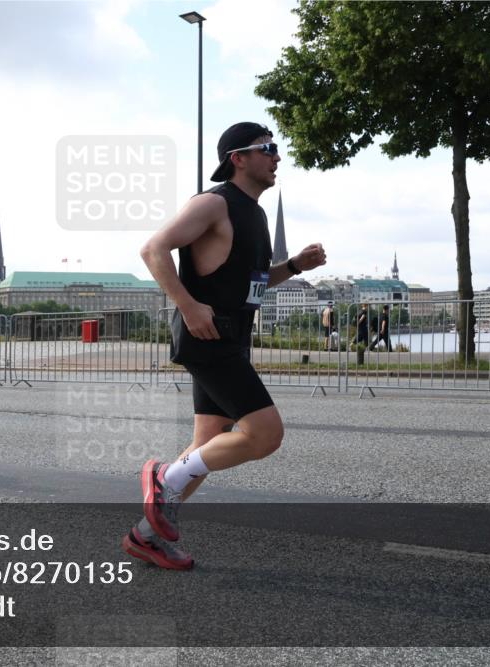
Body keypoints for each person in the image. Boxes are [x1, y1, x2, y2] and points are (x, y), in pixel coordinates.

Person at [130, 122, 326, 569]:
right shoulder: (213, 202)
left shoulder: (253, 213)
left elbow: (251, 282)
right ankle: (162, 478)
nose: (277, 157)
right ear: (238, 158)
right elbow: (153, 249)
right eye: (267, 148)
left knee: (206, 445)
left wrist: (294, 265)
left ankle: (147, 536)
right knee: (265, 435)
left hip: (231, 339)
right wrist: (189, 305)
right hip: (209, 338)